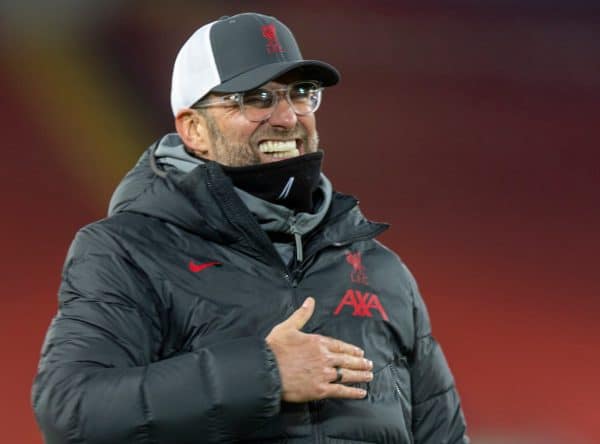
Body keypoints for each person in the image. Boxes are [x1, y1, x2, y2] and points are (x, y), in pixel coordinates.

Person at [32, 12, 468, 444]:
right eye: (256, 99)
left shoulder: (380, 269)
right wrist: (265, 374)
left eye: (300, 94)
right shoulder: (127, 251)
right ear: (194, 129)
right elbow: (70, 409)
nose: (287, 117)